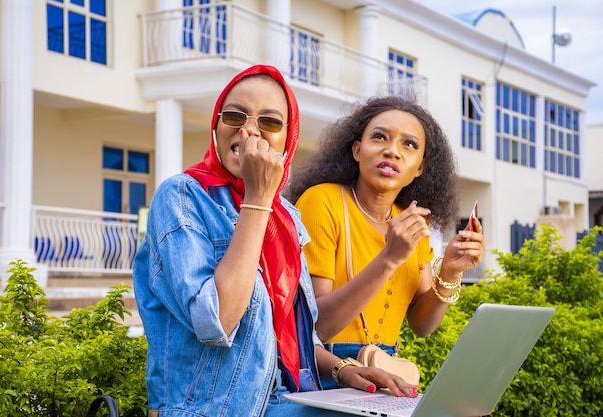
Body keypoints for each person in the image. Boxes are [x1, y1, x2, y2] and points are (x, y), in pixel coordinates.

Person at [133, 65, 419, 417]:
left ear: (288, 139)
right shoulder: (181, 197)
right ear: (216, 125)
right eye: (234, 115)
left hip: (285, 400)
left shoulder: (286, 216)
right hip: (214, 409)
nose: (248, 129)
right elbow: (217, 322)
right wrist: (258, 198)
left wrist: (342, 369)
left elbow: (289, 335)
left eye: (268, 122)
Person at [284, 96, 486, 389]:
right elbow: (318, 326)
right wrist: (389, 258)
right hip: (327, 371)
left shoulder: (413, 221)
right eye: (380, 137)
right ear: (357, 150)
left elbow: (422, 325)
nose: (392, 151)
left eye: (409, 144)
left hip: (388, 373)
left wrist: (450, 273)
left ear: (419, 167)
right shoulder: (322, 201)